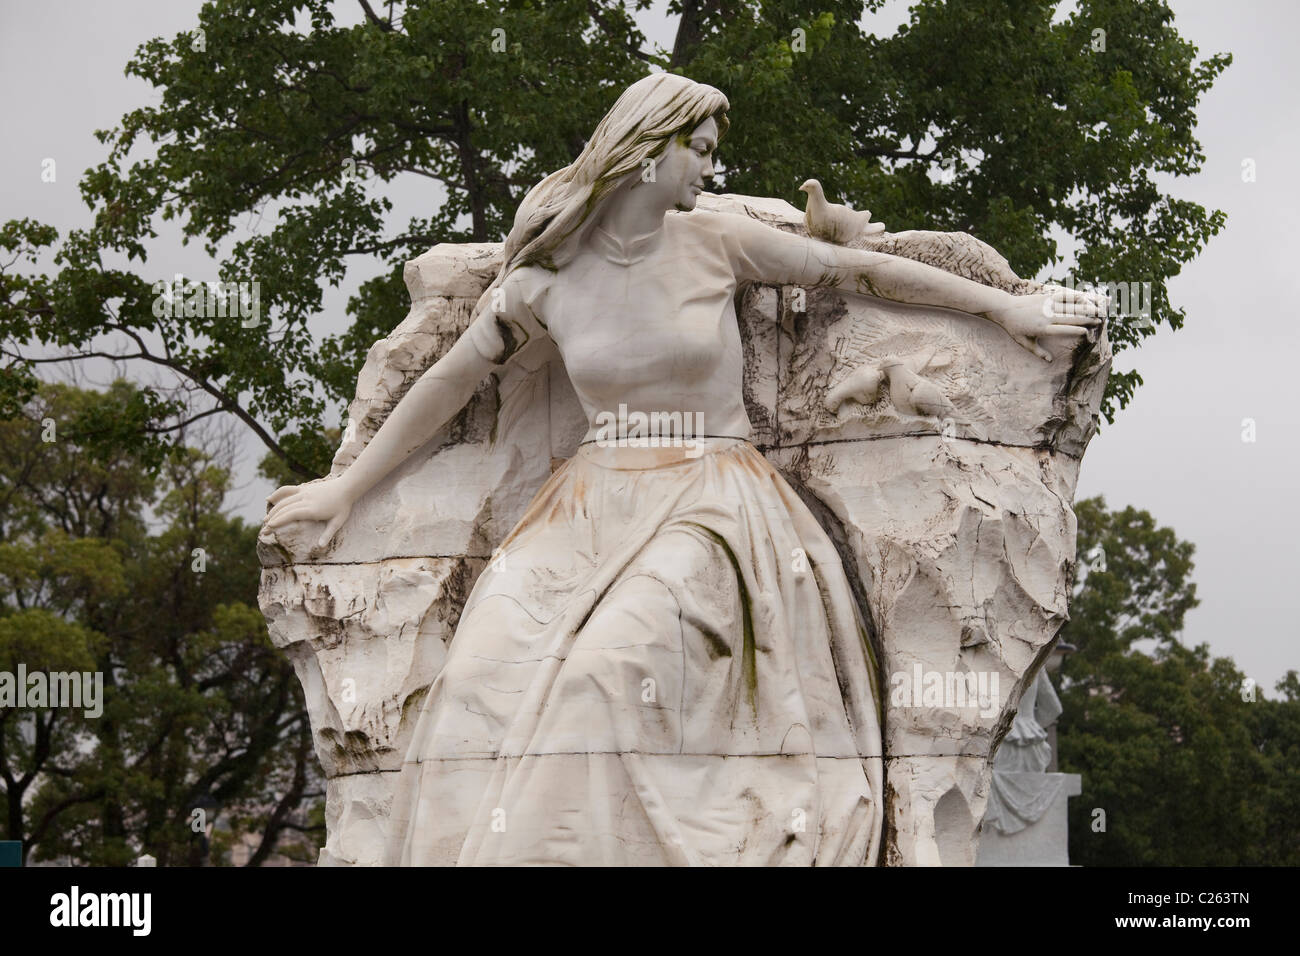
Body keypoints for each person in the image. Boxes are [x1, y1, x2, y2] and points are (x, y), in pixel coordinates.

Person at [264, 72, 1102, 866]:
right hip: (584, 506)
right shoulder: (547, 278)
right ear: (646, 149)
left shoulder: (715, 243)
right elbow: (448, 381)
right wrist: (344, 491)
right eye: (698, 146)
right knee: (478, 683)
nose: (711, 163)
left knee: (604, 677)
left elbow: (862, 270)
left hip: (713, 504)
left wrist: (1007, 310)